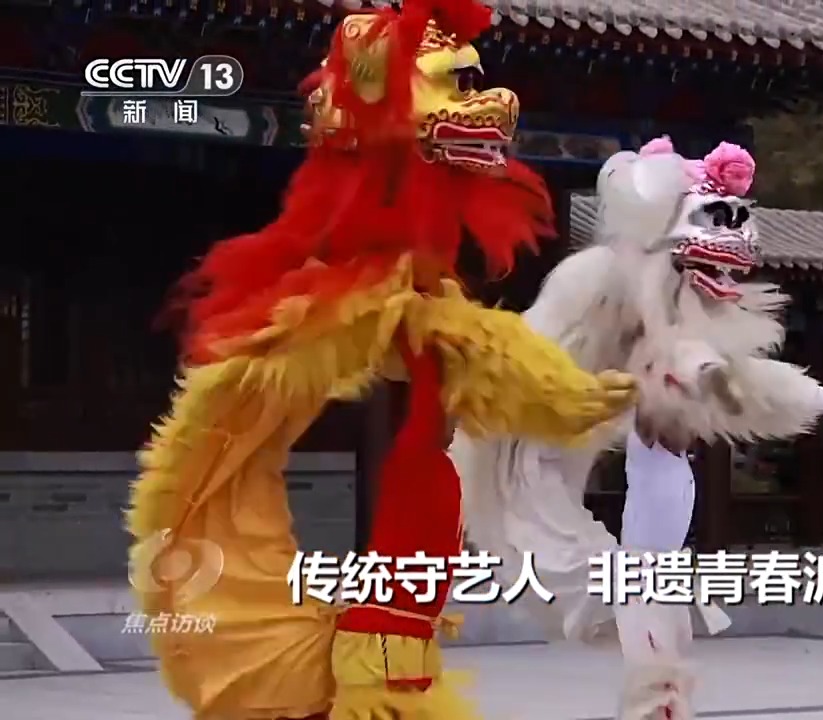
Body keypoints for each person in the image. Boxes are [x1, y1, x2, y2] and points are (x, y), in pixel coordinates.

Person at [124, 2, 636, 718]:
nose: (489, 102)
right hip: (362, 620)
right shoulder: (350, 298)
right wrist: (544, 386)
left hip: (401, 581)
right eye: (454, 83)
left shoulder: (420, 292)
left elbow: (448, 345)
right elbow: (432, 338)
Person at [453, 137, 823, 719]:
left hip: (641, 527)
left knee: (647, 600)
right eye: (713, 219)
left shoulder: (673, 320)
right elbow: (671, 363)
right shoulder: (600, 284)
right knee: (603, 574)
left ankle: (659, 696)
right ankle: (655, 695)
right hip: (538, 442)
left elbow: (736, 373)